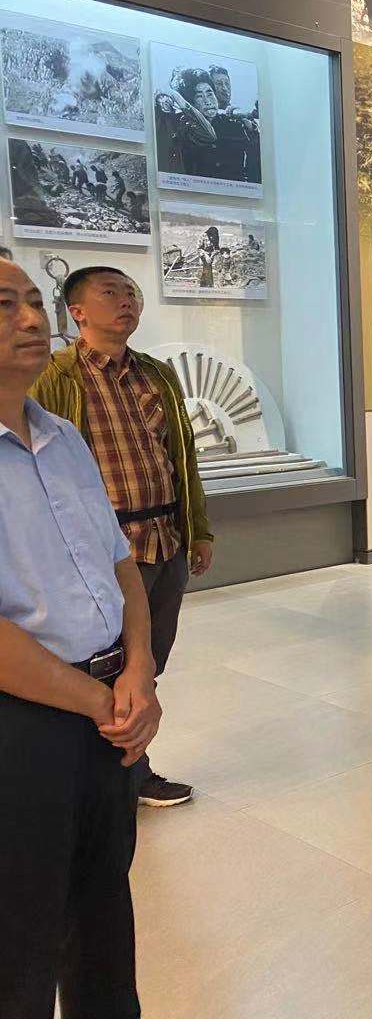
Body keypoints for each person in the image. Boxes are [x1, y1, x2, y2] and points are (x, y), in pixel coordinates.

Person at [0, 257, 162, 1019]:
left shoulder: (62, 437)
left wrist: (140, 670)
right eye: (6, 306)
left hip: (108, 710)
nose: (32, 320)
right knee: (22, 924)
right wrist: (104, 701)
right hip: (25, 719)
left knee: (103, 910)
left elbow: (118, 563)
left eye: (35, 301)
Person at [31, 266, 213, 809]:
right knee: (97, 666)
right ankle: (105, 778)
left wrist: (197, 528)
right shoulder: (54, 376)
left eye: (131, 292)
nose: (126, 301)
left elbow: (182, 459)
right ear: (77, 311)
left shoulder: (156, 374)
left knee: (148, 662)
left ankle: (130, 768)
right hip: (98, 551)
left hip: (162, 539)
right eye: (110, 292)